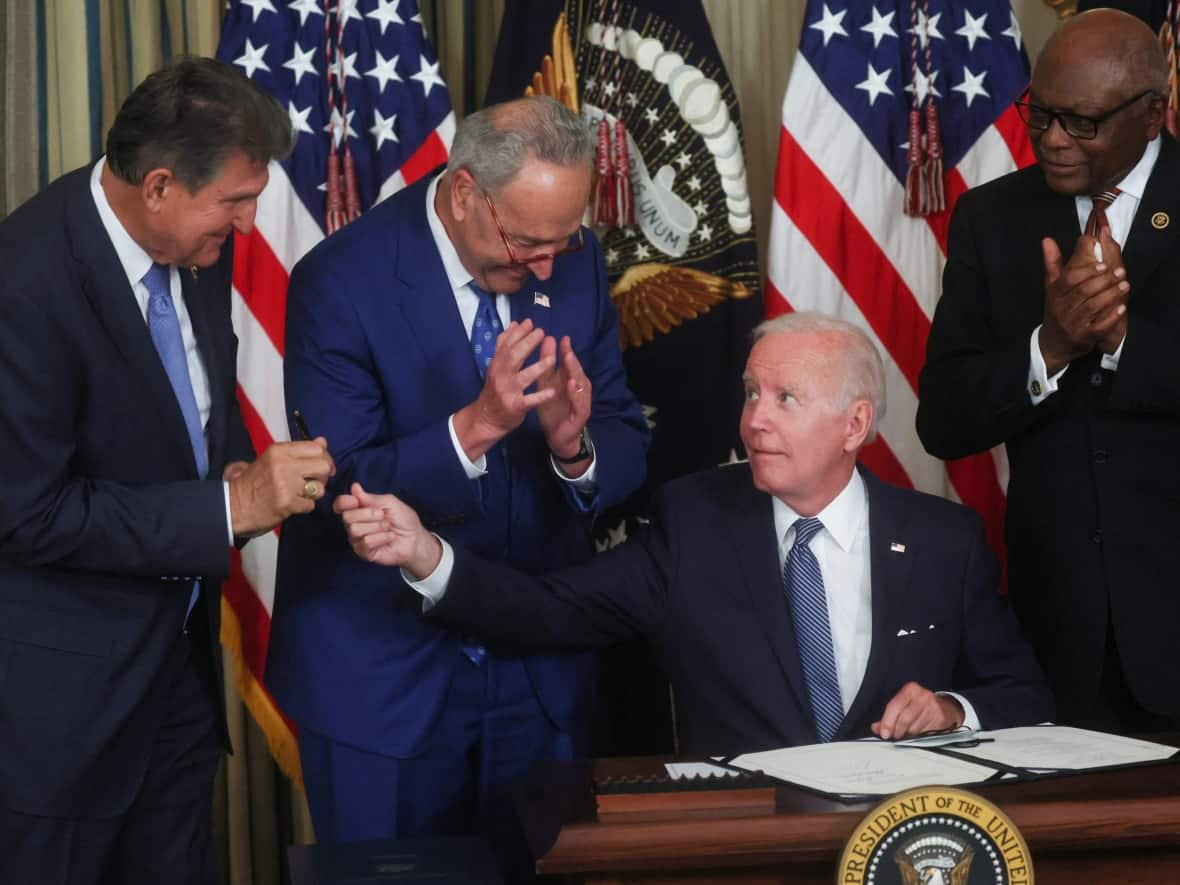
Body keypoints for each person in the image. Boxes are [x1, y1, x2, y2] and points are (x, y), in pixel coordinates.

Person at [338, 313, 1053, 757]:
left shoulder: (942, 540)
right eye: (750, 393)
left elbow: (1024, 694)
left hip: (898, 846)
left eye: (785, 399)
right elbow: (552, 609)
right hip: (743, 840)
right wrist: (427, 555)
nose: (754, 421)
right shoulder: (697, 521)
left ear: (855, 425)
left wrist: (953, 708)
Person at [268, 95, 649, 856]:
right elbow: (334, 484)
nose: (546, 264)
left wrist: (576, 449)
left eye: (562, 243)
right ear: (466, 191)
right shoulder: (341, 281)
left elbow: (625, 432)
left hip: (539, 675)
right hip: (383, 678)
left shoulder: (573, 267)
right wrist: (477, 426)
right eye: (528, 241)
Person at [0, 58, 334, 884]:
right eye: (235, 200)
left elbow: (180, 414)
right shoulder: (24, 281)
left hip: (178, 685)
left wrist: (225, 471)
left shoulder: (199, 244)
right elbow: (27, 512)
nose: (252, 225)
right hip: (64, 712)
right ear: (157, 187)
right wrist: (227, 509)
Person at [917, 8, 1180, 732]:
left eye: (1082, 122)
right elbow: (942, 417)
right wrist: (1051, 348)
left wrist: (1123, 337)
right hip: (1055, 644)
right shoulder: (992, 218)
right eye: (1042, 114)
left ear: (1152, 115)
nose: (1053, 139)